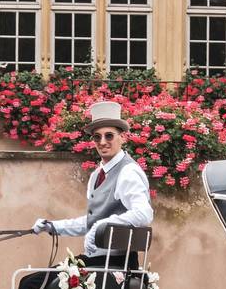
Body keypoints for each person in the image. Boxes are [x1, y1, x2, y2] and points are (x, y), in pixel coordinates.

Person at [33, 100, 153, 260]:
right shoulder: (97, 175)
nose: (102, 142)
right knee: (31, 282)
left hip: (115, 265)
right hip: (96, 261)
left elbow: (143, 214)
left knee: (31, 284)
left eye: (109, 135)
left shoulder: (128, 171)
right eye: (97, 137)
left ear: (122, 137)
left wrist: (102, 226)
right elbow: (91, 221)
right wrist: (53, 226)